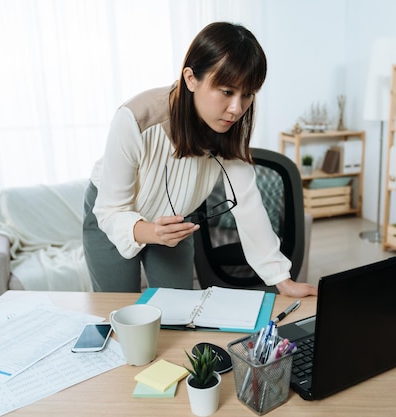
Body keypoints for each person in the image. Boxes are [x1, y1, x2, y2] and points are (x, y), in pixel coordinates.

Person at [83, 22, 317, 298]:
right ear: (191, 78)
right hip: (114, 218)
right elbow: (110, 210)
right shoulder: (135, 120)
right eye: (228, 92)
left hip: (174, 223)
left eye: (248, 95)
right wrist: (150, 231)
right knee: (119, 317)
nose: (237, 109)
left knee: (177, 313)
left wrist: (282, 279)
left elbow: (248, 204)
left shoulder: (229, 128)